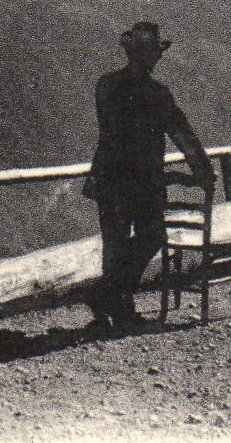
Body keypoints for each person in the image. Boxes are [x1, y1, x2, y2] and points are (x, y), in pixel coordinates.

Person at [83, 21, 215, 334]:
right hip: (141, 183)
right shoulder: (157, 95)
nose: (157, 58)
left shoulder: (106, 86)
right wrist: (203, 173)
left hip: (110, 181)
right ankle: (113, 302)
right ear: (147, 56)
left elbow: (114, 135)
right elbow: (182, 134)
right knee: (151, 237)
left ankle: (112, 304)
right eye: (154, 53)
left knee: (114, 245)